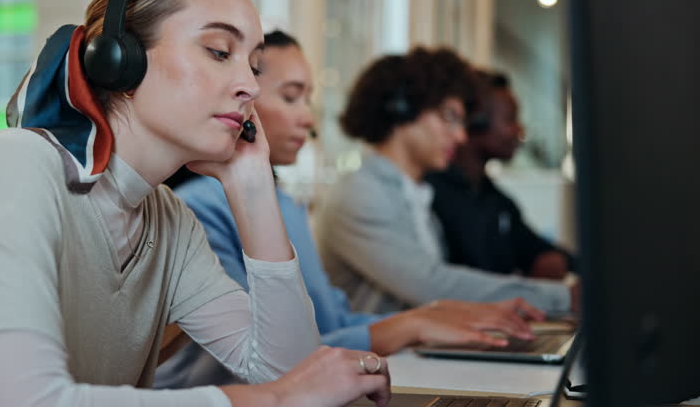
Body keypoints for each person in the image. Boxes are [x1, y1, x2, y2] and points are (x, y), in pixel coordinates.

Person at [0, 0, 392, 407]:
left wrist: (250, 186)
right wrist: (270, 400)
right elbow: (25, 399)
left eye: (254, 64)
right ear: (120, 59)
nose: (250, 85)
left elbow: (289, 372)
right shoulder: (16, 166)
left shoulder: (169, 224)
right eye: (219, 51)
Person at [153, 31, 545, 389]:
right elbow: (269, 361)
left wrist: (432, 319)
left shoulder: (284, 203)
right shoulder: (201, 208)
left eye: (308, 99)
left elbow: (331, 321)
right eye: (290, 97)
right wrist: (415, 325)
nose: (308, 118)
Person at [317, 49, 579, 315]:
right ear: (403, 109)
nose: (460, 136)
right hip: (380, 355)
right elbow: (432, 285)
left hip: (417, 353)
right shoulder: (361, 192)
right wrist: (561, 298)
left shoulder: (417, 195)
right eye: (449, 117)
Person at [427, 71, 574, 280]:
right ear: (475, 122)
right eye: (510, 119)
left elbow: (535, 248)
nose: (519, 130)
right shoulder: (433, 194)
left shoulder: (494, 199)